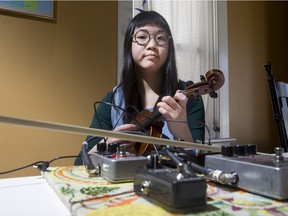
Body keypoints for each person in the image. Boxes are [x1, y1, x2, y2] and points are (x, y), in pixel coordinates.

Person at [74, 11, 205, 165]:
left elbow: (199, 164)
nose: (152, 45)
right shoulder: (111, 102)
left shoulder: (187, 99)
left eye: (160, 38)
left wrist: (181, 130)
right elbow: (79, 163)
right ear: (129, 45)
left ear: (169, 48)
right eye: (142, 37)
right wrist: (108, 142)